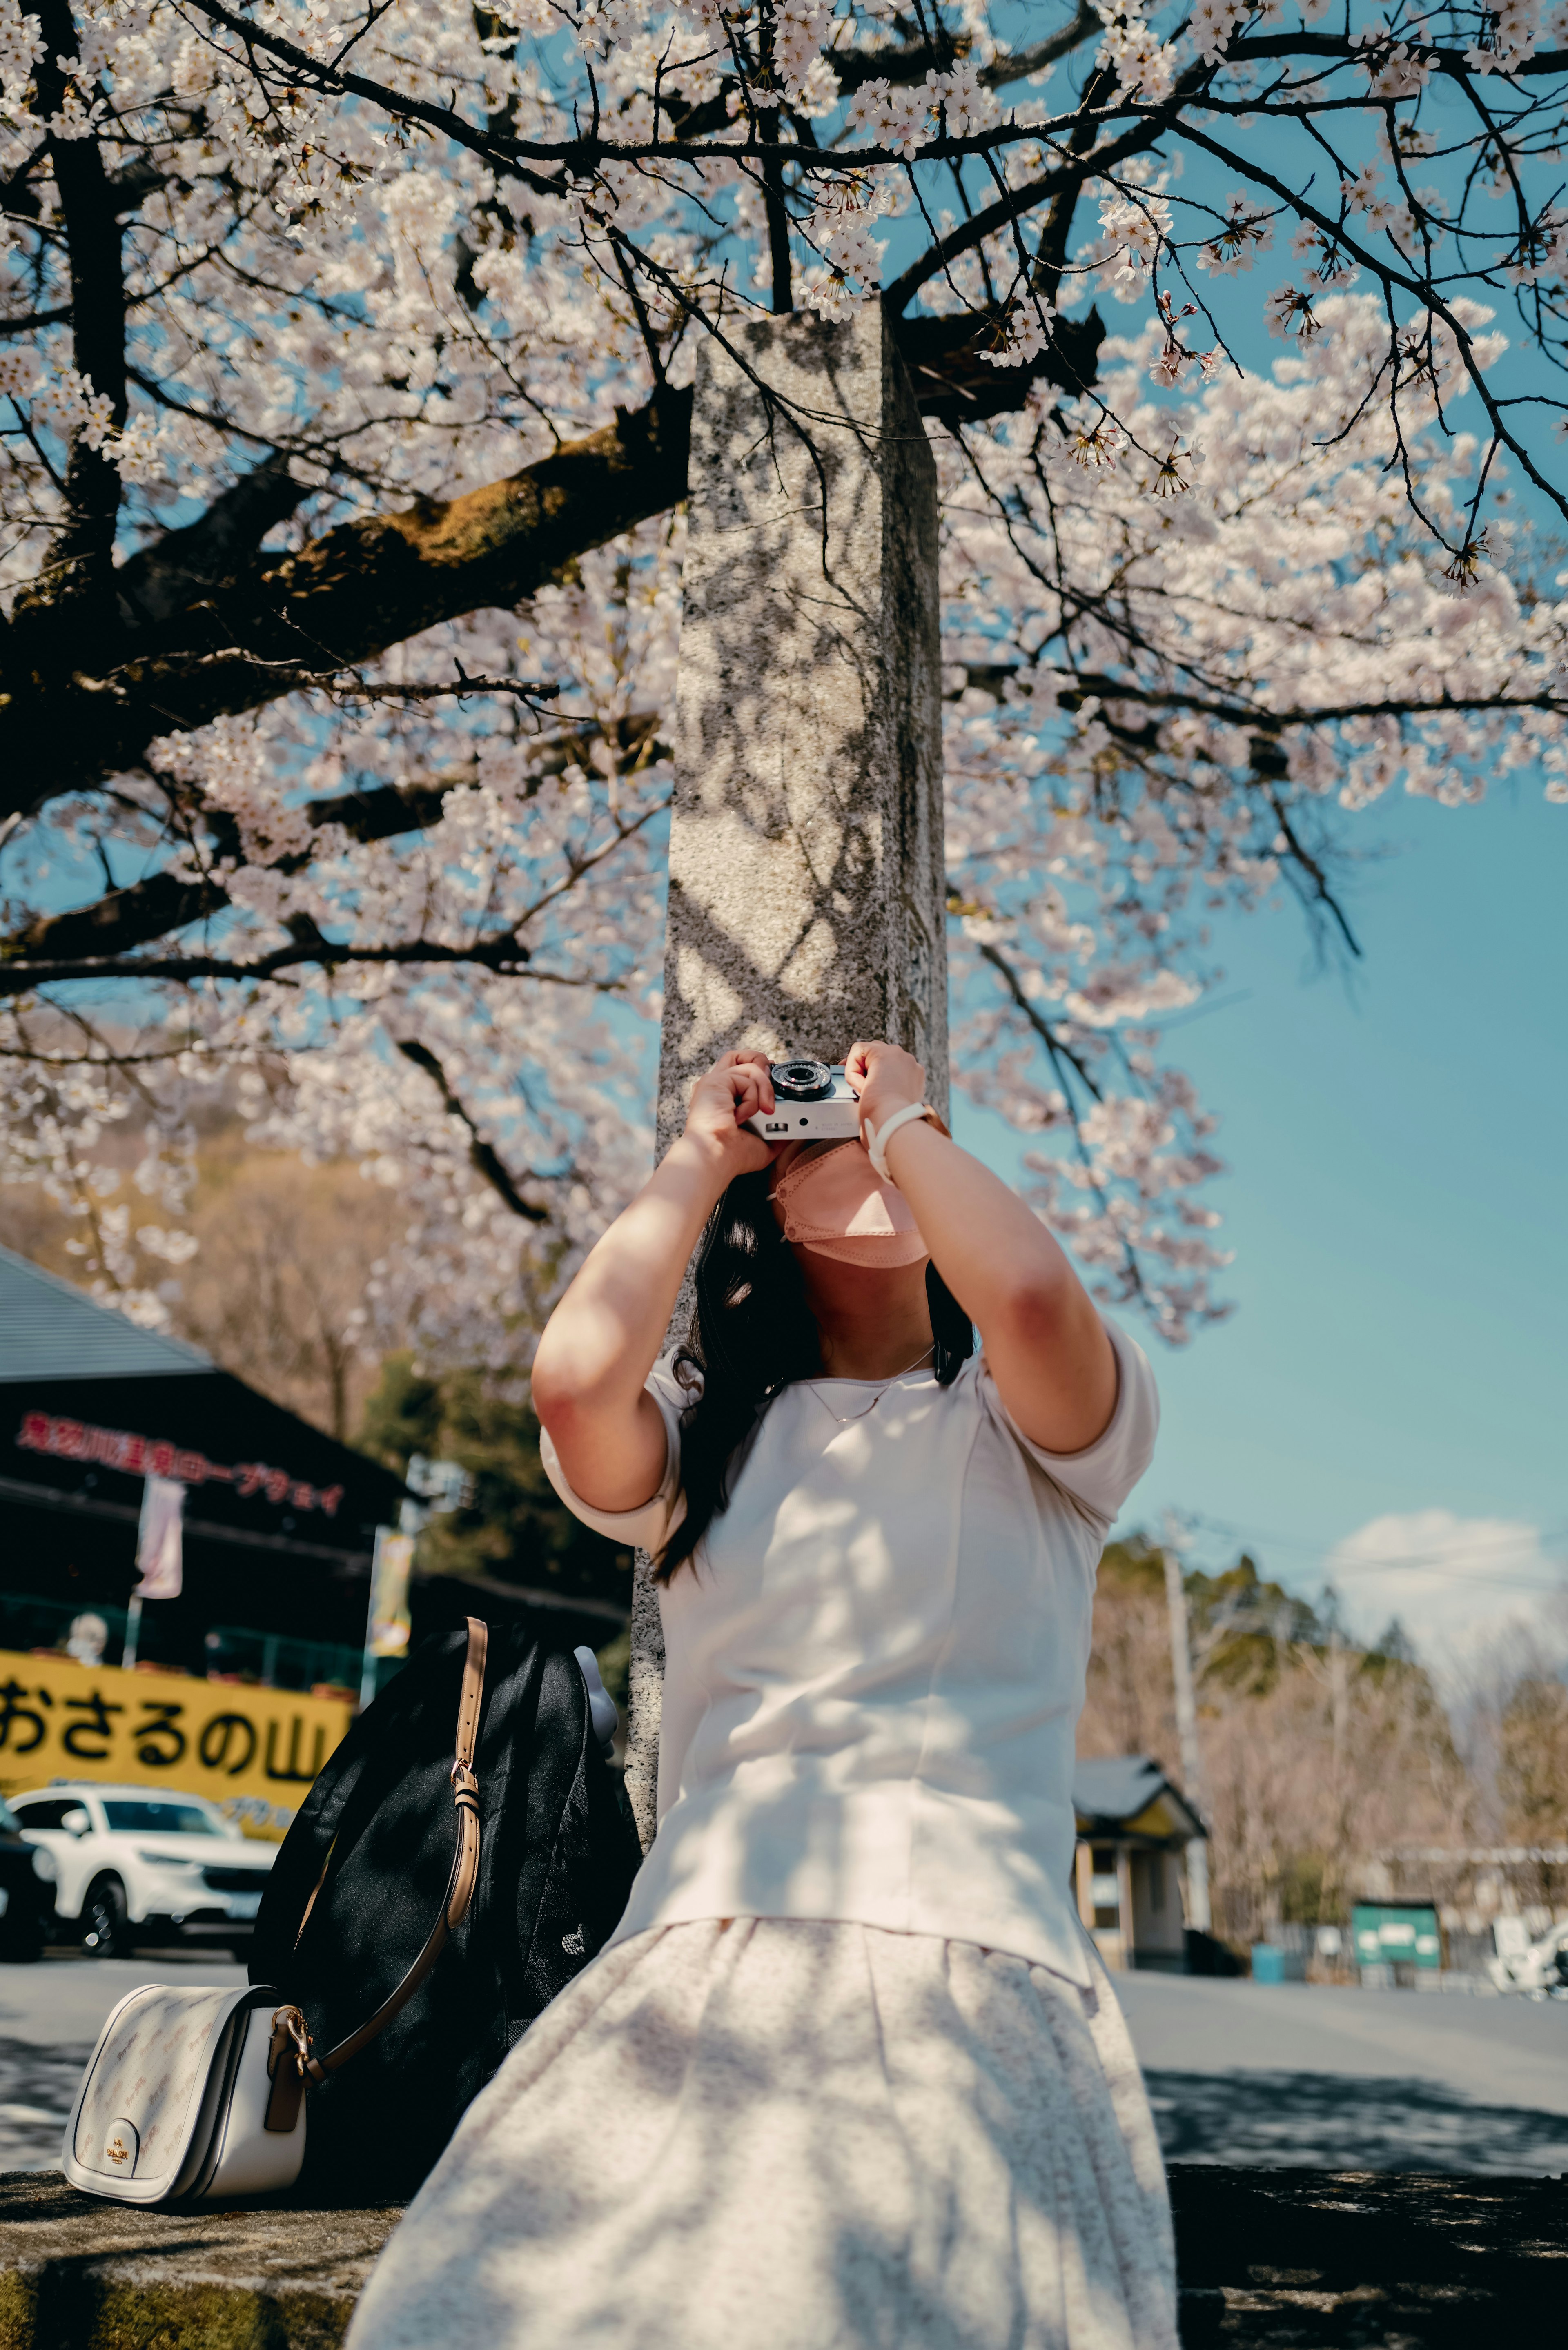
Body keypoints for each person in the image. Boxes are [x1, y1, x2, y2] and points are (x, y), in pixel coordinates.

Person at [347, 1042, 1178, 2350]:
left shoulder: (1029, 1431)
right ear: (772, 1206)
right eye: (825, 1135)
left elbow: (1019, 1290)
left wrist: (902, 1117)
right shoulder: (706, 1439)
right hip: (692, 1959)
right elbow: (570, 1381)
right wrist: (698, 1153)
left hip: (960, 1958)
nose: (870, 1144)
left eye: (902, 1137)